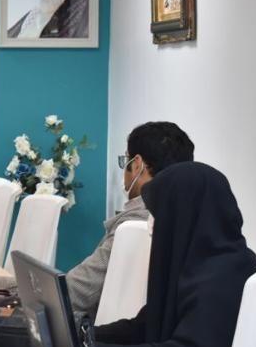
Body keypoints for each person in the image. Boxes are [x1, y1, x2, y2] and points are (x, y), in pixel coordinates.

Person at [94, 162, 256, 347]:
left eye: (158, 213)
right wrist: (84, 336)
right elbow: (144, 326)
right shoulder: (196, 263)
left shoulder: (227, 275)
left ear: (182, 213)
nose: (152, 222)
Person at [66, 121, 194, 320]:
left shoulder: (135, 222)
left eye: (125, 160)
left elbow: (78, 290)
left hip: (107, 331)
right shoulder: (186, 216)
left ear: (137, 164)